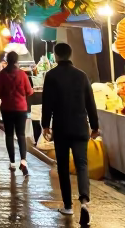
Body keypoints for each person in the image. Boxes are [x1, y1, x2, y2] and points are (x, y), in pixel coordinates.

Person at [41, 42, 99, 226]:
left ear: (56, 56)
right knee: (82, 165)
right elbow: (90, 102)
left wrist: (45, 125)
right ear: (70, 54)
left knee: (64, 167)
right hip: (80, 127)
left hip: (62, 127)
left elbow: (47, 103)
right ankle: (84, 202)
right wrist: (95, 126)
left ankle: (67, 205)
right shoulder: (82, 76)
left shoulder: (51, 76)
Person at [0, 50, 32, 174]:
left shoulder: (2, 74)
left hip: (7, 108)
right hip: (21, 108)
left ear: (7, 60)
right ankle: (23, 161)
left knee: (9, 135)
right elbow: (29, 91)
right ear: (17, 60)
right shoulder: (22, 74)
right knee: (21, 134)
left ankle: (12, 162)